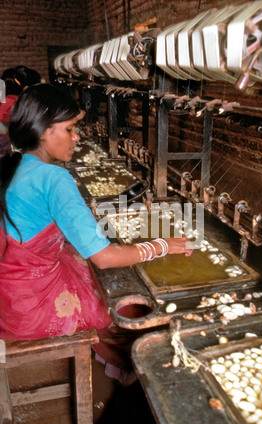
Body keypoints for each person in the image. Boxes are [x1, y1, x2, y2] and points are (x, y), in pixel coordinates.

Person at [0, 83, 193, 380]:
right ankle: (145, 372)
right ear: (43, 131)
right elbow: (103, 257)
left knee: (85, 264)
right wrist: (162, 245)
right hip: (32, 307)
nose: (77, 137)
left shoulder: (23, 165)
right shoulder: (54, 178)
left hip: (13, 292)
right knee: (122, 306)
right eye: (70, 129)